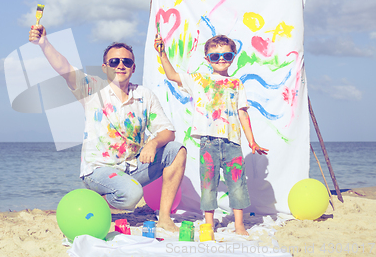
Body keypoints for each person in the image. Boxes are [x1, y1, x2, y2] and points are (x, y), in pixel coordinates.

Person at [29, 24, 187, 232]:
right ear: (105, 67)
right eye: (114, 61)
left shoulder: (144, 95)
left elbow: (168, 130)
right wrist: (44, 43)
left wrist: (154, 143)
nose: (120, 65)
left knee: (177, 151)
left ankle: (165, 218)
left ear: (133, 67)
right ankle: (94, 202)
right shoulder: (92, 88)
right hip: (98, 169)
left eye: (126, 61)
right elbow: (64, 68)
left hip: (131, 167)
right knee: (131, 195)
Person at [154, 33, 268, 235]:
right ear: (207, 59)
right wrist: (162, 53)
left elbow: (242, 114)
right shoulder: (198, 80)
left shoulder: (237, 83)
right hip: (208, 142)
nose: (221, 60)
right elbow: (172, 75)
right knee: (208, 183)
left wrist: (252, 142)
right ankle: (209, 223)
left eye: (226, 55)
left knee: (237, 183)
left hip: (233, 143)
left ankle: (239, 225)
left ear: (233, 57)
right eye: (215, 56)